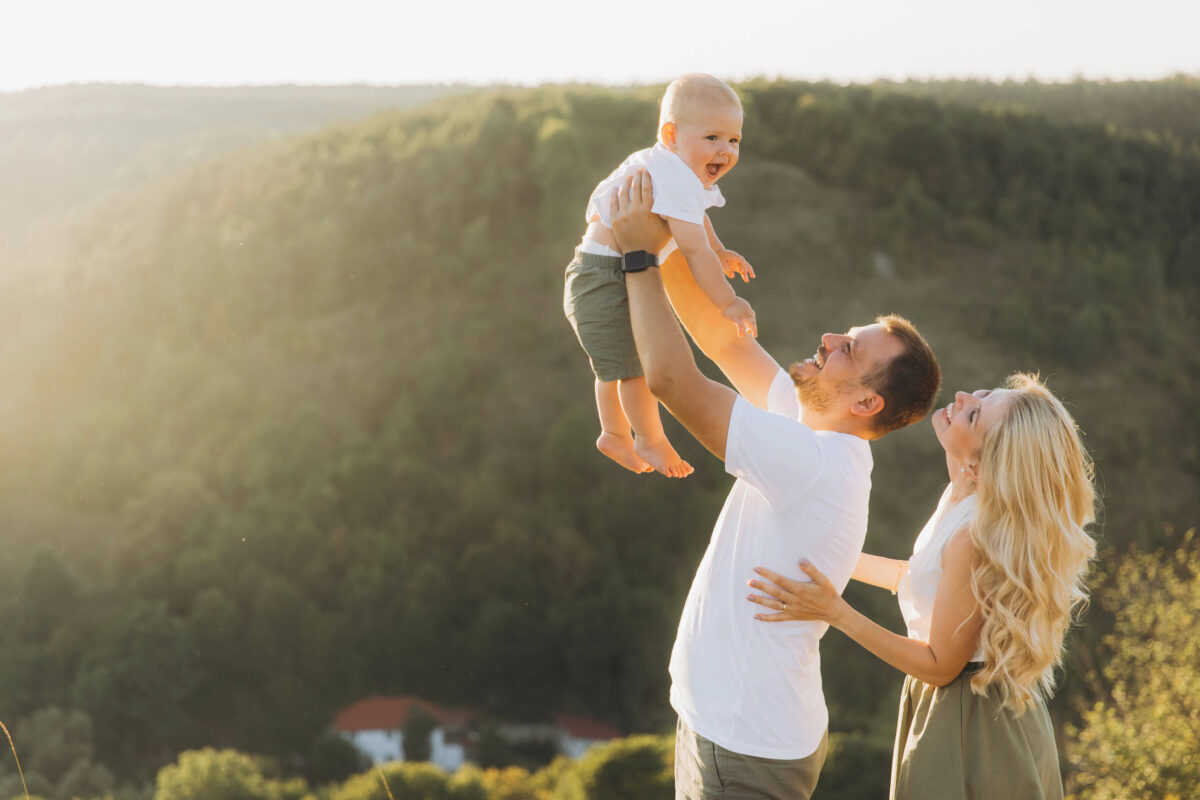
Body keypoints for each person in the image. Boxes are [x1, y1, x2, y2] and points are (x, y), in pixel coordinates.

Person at [609, 170, 942, 799]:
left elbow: (674, 383)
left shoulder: (815, 461)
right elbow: (717, 341)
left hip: (745, 748)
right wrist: (674, 240)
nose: (828, 338)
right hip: (726, 725)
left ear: (867, 402)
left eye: (847, 348)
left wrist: (635, 259)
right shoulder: (810, 422)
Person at [747, 374, 1097, 800]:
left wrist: (834, 611)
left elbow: (938, 664)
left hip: (971, 724)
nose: (966, 395)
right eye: (984, 394)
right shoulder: (963, 494)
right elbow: (916, 578)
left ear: (982, 462)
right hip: (961, 709)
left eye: (974, 412)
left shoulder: (974, 536)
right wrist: (826, 552)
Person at [563, 73, 757, 479]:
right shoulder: (672, 174)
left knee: (616, 362)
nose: (726, 149)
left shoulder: (669, 167)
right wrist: (729, 301)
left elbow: (696, 223)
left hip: (594, 273)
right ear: (671, 134)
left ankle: (614, 433)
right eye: (713, 138)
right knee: (631, 368)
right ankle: (646, 438)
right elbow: (692, 250)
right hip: (603, 276)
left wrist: (720, 250)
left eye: (734, 140)